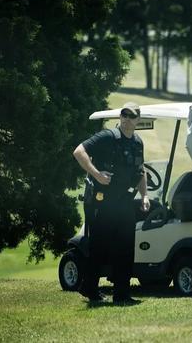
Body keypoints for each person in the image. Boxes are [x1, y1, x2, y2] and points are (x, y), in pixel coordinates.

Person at [73, 102, 150, 305]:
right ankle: (89, 287)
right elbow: (79, 152)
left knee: (126, 248)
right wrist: (97, 174)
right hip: (101, 201)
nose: (126, 119)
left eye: (131, 116)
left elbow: (140, 170)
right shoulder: (107, 137)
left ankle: (122, 295)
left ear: (137, 120)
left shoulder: (138, 143)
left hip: (124, 201)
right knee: (100, 247)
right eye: (123, 115)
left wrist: (144, 196)